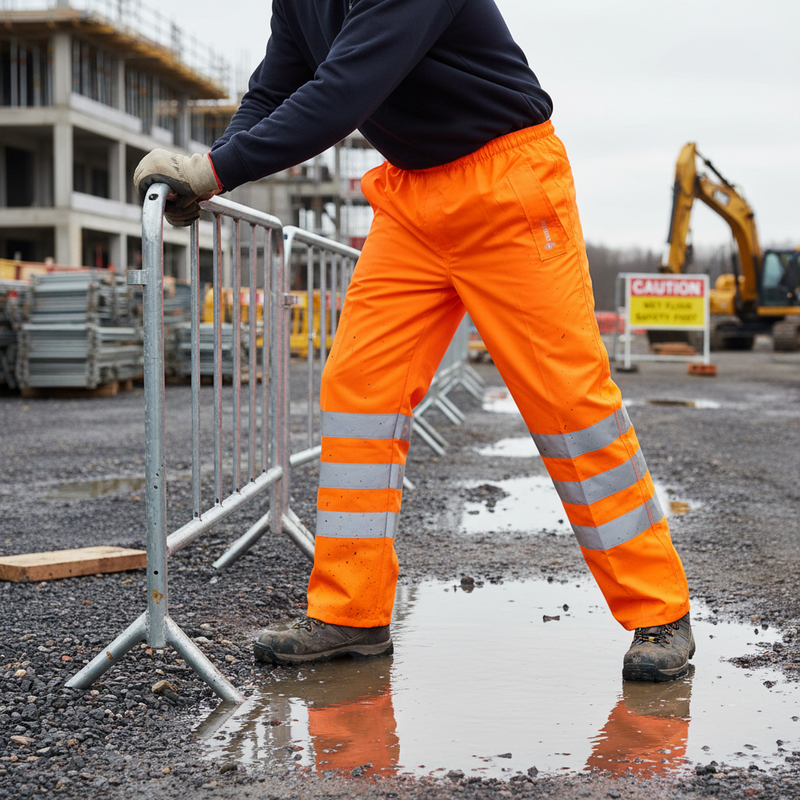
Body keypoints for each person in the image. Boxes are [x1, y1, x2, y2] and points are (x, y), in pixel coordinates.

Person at [134, 0, 695, 682]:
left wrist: (218, 171)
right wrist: (216, 165)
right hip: (411, 202)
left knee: (569, 402)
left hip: (508, 185)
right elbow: (276, 88)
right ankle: (351, 613)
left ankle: (659, 611)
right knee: (359, 391)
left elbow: (343, 92)